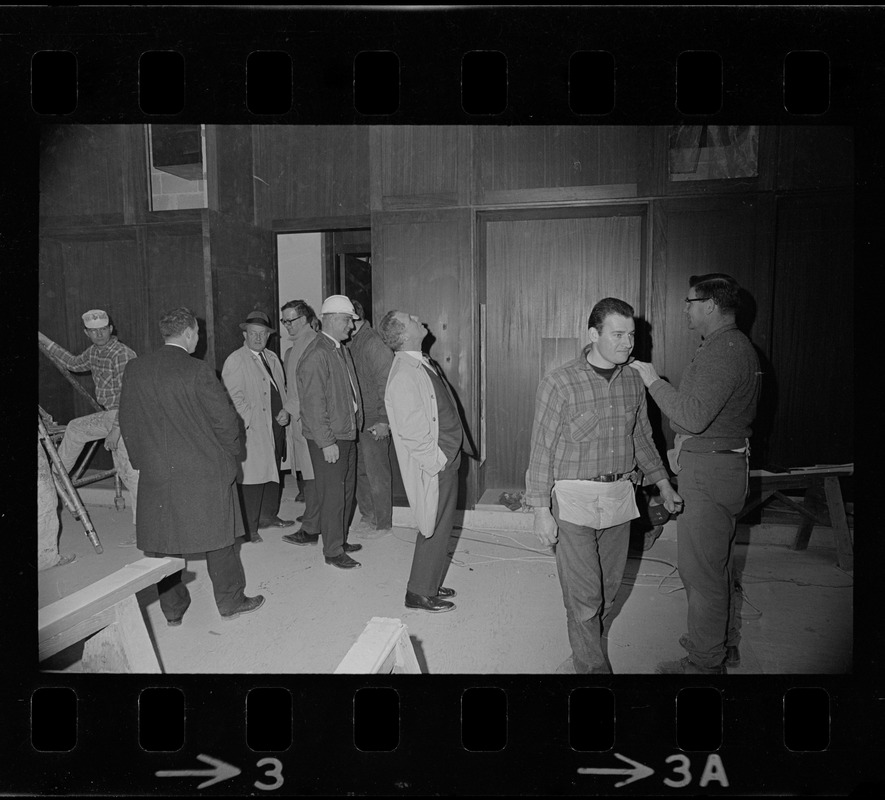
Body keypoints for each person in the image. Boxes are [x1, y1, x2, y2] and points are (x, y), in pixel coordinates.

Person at [525, 297, 683, 674]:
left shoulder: (633, 380)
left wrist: (663, 483)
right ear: (593, 335)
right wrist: (540, 511)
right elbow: (541, 449)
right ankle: (592, 670)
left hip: (619, 497)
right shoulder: (559, 381)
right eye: (618, 334)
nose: (628, 343)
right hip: (573, 498)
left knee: (609, 591)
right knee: (584, 596)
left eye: (632, 335)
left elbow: (643, 438)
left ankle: (585, 649)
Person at [629, 274, 760, 675]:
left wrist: (653, 381)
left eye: (689, 302)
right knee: (717, 565)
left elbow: (690, 414)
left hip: (710, 474)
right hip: (722, 464)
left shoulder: (724, 350)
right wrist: (684, 443)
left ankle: (704, 664)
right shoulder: (732, 346)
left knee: (701, 572)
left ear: (709, 305)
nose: (685, 309)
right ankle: (724, 644)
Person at [118, 307, 264, 625]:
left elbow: (127, 421)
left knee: (165, 543)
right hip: (204, 471)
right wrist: (232, 456)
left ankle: (173, 610)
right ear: (187, 333)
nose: (199, 338)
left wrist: (143, 461)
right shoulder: (197, 370)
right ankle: (230, 602)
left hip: (159, 472)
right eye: (198, 332)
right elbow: (226, 421)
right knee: (220, 540)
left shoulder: (136, 369)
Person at [379, 310, 467, 613]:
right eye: (410, 318)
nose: (419, 318)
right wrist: (438, 460)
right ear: (403, 333)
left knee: (440, 524)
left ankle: (428, 582)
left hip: (445, 457)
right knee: (434, 523)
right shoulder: (404, 373)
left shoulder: (418, 362)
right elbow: (411, 429)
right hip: (438, 462)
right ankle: (419, 592)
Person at [38, 309, 140, 524]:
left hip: (129, 416)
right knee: (76, 428)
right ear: (87, 333)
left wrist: (116, 429)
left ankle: (144, 528)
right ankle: (57, 477)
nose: (99, 335)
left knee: (130, 472)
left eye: (103, 329)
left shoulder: (121, 353)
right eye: (94, 331)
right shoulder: (94, 352)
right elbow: (73, 363)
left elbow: (128, 397)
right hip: (110, 414)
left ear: (111, 329)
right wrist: (44, 340)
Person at [296, 295, 364, 569]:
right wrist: (326, 442)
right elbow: (313, 405)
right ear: (335, 319)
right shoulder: (317, 354)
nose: (351, 326)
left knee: (345, 492)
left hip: (344, 434)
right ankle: (333, 551)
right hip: (330, 438)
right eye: (348, 320)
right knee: (333, 495)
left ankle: (339, 538)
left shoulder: (338, 349)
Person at [222, 310, 294, 543]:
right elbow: (233, 398)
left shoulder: (272, 357)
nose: (258, 338)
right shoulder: (236, 360)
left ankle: (268, 516)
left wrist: (285, 412)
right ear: (245, 334)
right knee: (253, 478)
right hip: (253, 429)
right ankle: (248, 528)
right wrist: (251, 421)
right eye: (253, 333)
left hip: (276, 425)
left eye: (263, 334)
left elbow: (281, 390)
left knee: (273, 472)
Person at [347, 300, 394, 537]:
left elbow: (387, 383)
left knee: (377, 473)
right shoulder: (352, 342)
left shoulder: (373, 343)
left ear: (354, 317)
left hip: (374, 419)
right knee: (361, 472)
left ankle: (382, 523)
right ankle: (369, 516)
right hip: (358, 420)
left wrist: (385, 420)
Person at [279, 300, 322, 547]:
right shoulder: (301, 344)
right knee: (310, 474)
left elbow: (303, 389)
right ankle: (312, 517)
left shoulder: (307, 345)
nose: (287, 326)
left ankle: (311, 528)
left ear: (304, 319)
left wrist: (287, 410)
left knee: (313, 476)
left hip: (307, 422)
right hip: (303, 421)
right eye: (285, 321)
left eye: (290, 321)